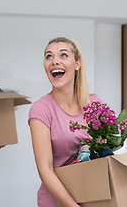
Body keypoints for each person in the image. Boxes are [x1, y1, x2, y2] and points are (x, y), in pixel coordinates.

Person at [28, 37, 101, 207]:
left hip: (93, 197)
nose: (55, 61)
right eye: (49, 56)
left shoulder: (95, 104)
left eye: (63, 55)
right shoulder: (41, 109)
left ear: (77, 64)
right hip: (57, 202)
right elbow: (45, 169)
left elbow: (111, 153)